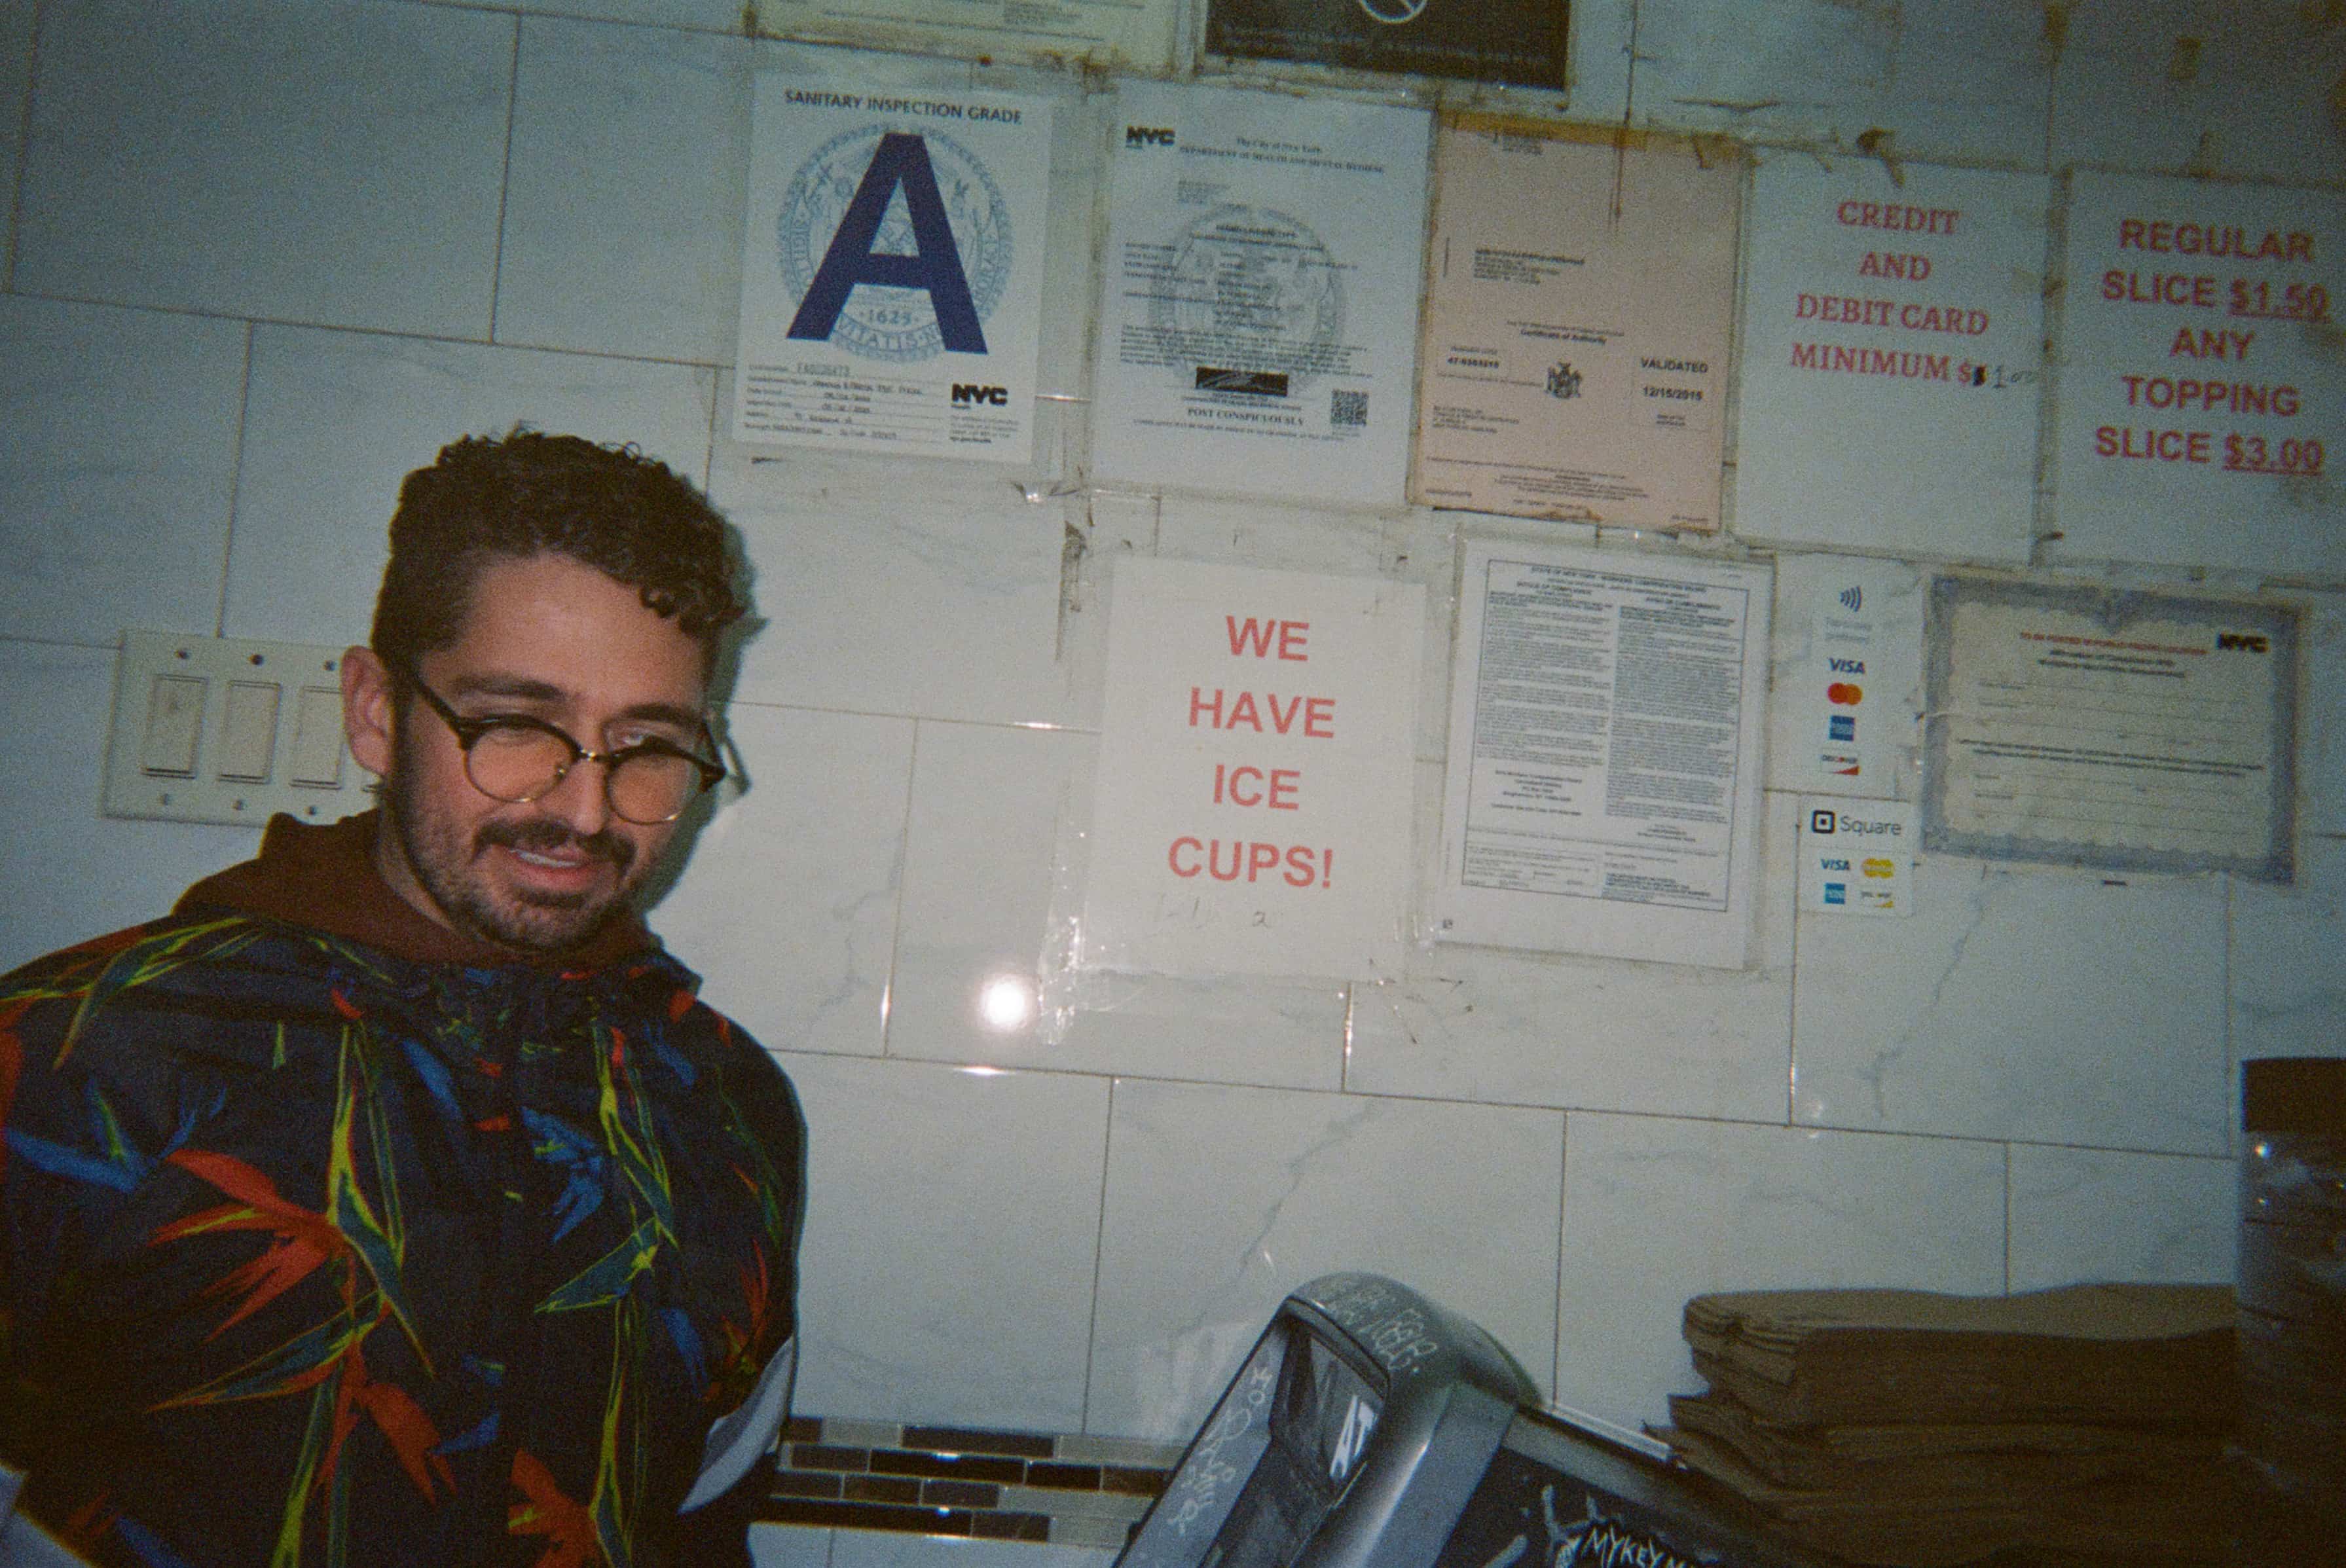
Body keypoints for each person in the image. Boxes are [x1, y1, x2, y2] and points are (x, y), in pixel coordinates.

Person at [0, 431, 804, 1567]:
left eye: (648, 745)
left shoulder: (727, 1109)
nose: (584, 811)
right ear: (377, 711)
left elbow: (700, 1522)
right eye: (515, 726)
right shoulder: (74, 1059)